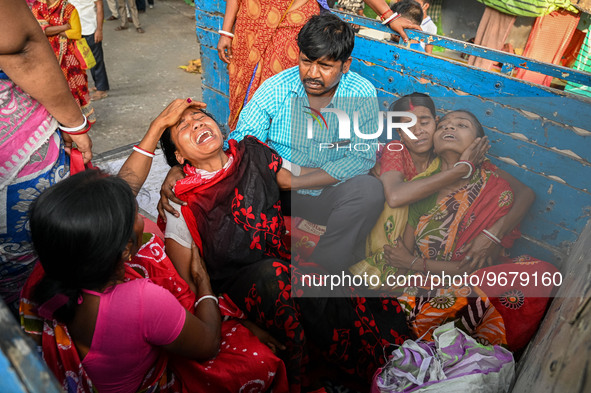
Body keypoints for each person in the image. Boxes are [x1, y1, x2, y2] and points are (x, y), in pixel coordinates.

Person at [19, 99, 288, 393]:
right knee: (261, 361)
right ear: (124, 252)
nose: (140, 210)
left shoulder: (54, 268)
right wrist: (204, 284)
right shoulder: (141, 299)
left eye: (198, 117)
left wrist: (163, 136)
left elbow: (122, 191)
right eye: (132, 212)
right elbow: (208, 344)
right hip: (159, 376)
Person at [158, 100, 410, 391]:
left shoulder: (251, 152)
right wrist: (243, 324)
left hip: (286, 266)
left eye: (199, 117)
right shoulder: (182, 200)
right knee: (276, 276)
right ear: (178, 155)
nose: (197, 124)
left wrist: (354, 165)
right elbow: (187, 282)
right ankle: (353, 366)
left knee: (361, 194)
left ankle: (373, 358)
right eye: (184, 126)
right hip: (244, 289)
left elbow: (292, 178)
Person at [383, 110, 558, 351]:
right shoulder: (424, 186)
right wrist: (414, 264)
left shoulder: (491, 181)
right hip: (429, 286)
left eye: (461, 125)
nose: (449, 128)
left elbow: (526, 195)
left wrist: (492, 234)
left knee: (539, 274)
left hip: (475, 280)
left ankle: (450, 337)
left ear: (479, 144)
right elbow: (403, 259)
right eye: (443, 126)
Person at [227, 13, 386, 274]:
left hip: (326, 191)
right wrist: (278, 175)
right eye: (306, 62)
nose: (312, 74)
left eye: (325, 66)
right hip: (277, 189)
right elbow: (242, 139)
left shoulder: (360, 92)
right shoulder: (276, 88)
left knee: (369, 191)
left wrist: (298, 180)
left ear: (345, 65)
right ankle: (256, 264)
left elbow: (362, 156)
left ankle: (320, 269)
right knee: (241, 175)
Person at [353, 93, 535, 288]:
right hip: (404, 252)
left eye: (425, 123)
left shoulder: (480, 171)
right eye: (407, 126)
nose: (417, 131)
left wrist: (493, 234)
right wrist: (462, 169)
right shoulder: (403, 158)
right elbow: (397, 198)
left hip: (461, 270)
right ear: (399, 133)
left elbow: (526, 194)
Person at [0, 0, 92, 315]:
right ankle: (42, 335)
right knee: (36, 261)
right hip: (15, 156)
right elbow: (21, 47)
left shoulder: (64, 8)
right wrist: (75, 123)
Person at [218, 0, 420, 130]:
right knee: (246, 91)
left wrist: (389, 15)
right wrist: (227, 31)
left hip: (295, 18)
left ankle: (280, 163)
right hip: (251, 21)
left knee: (289, 95)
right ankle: (246, 155)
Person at [32, 0, 96, 124]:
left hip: (70, 57)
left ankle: (78, 120)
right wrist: (64, 28)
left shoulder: (69, 9)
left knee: (75, 88)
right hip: (46, 56)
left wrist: (51, 30)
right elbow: (41, 31)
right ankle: (59, 120)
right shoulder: (37, 7)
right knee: (53, 88)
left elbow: (76, 33)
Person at [69, 0, 110, 101]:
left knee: (97, 60)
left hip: (90, 29)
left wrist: (99, 30)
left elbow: (100, 7)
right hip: (75, 30)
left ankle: (102, 89)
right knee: (86, 60)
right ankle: (98, 85)